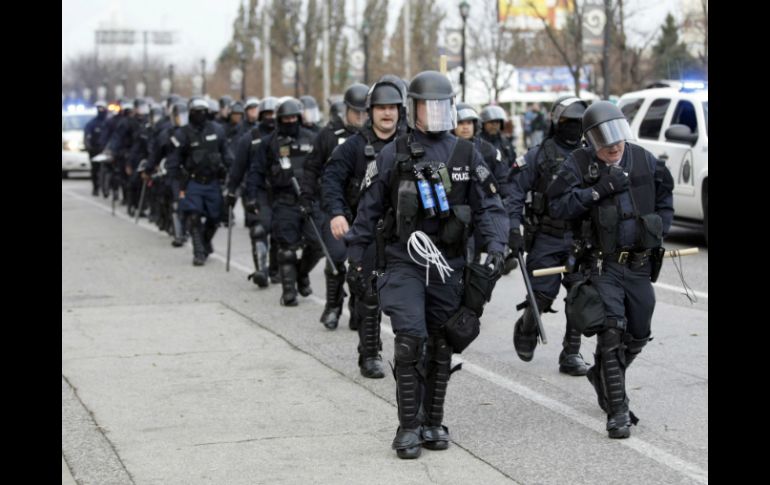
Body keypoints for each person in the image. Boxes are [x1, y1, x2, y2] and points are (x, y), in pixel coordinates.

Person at [345, 71, 508, 458]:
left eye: (441, 105)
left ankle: (433, 420)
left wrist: (496, 248)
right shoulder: (393, 153)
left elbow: (490, 208)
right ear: (412, 109)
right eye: (427, 106)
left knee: (440, 344)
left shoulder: (468, 153)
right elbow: (367, 211)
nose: (434, 113)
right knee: (410, 339)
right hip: (404, 260)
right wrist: (355, 258)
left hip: (448, 263)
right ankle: (408, 426)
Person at [546, 100, 674, 439]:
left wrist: (661, 225)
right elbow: (557, 205)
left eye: (617, 135)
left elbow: (665, 195)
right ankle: (617, 411)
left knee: (640, 332)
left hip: (639, 264)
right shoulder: (577, 164)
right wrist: (597, 191)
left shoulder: (643, 158)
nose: (614, 145)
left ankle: (600, 373)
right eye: (604, 139)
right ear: (590, 140)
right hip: (602, 265)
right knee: (612, 332)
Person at [321, 78, 404, 377]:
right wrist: (336, 214)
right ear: (371, 111)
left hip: (402, 233)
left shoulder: (410, 145)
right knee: (369, 297)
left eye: (392, 108)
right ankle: (370, 354)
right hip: (367, 231)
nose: (387, 114)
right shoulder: (352, 147)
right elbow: (330, 181)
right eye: (381, 107)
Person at [510, 96, 590, 375]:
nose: (574, 128)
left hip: (581, 239)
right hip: (546, 236)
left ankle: (571, 353)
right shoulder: (538, 155)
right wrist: (512, 229)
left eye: (579, 123)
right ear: (557, 123)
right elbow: (514, 193)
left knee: (581, 296)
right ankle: (527, 326)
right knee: (542, 295)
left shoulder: (591, 154)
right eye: (569, 123)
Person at [299, 82, 369, 329]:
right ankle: (333, 306)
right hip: (335, 207)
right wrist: (307, 196)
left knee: (362, 265)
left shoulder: (373, 138)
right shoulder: (329, 135)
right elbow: (312, 168)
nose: (360, 117)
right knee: (336, 257)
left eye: (364, 112)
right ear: (346, 110)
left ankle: (358, 309)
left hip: (365, 210)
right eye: (356, 112)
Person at [244, 98, 321, 306]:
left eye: (293, 117)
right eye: (285, 118)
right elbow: (256, 172)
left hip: (310, 200)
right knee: (286, 248)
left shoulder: (313, 139)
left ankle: (301, 274)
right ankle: (289, 293)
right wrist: (252, 197)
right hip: (284, 201)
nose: (290, 121)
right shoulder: (269, 143)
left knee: (317, 245)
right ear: (279, 120)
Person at [166, 98, 233, 266]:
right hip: (193, 182)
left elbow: (227, 154)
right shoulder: (183, 134)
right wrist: (175, 183)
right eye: (196, 112)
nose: (200, 115)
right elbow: (174, 160)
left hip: (213, 182)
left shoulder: (217, 130)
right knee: (194, 216)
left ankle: (204, 242)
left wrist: (233, 173)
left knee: (215, 217)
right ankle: (199, 253)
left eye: (203, 112)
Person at [84, 101, 110, 196]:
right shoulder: (92, 123)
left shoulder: (109, 122)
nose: (101, 111)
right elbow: (87, 135)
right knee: (95, 170)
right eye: (99, 109)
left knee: (109, 170)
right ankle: (96, 188)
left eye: (102, 108)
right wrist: (88, 146)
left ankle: (108, 188)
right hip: (95, 150)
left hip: (107, 150)